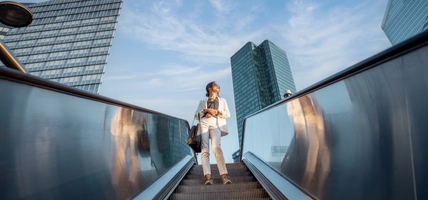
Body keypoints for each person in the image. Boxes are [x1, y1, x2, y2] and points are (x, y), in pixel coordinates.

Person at [194, 81, 232, 185]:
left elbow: (228, 114)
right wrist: (205, 111)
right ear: (210, 88)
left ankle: (224, 176)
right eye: (215, 85)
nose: (218, 86)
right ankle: (208, 177)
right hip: (204, 123)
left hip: (216, 123)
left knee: (216, 147)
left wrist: (217, 112)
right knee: (204, 149)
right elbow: (196, 115)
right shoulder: (203, 101)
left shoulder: (222, 100)